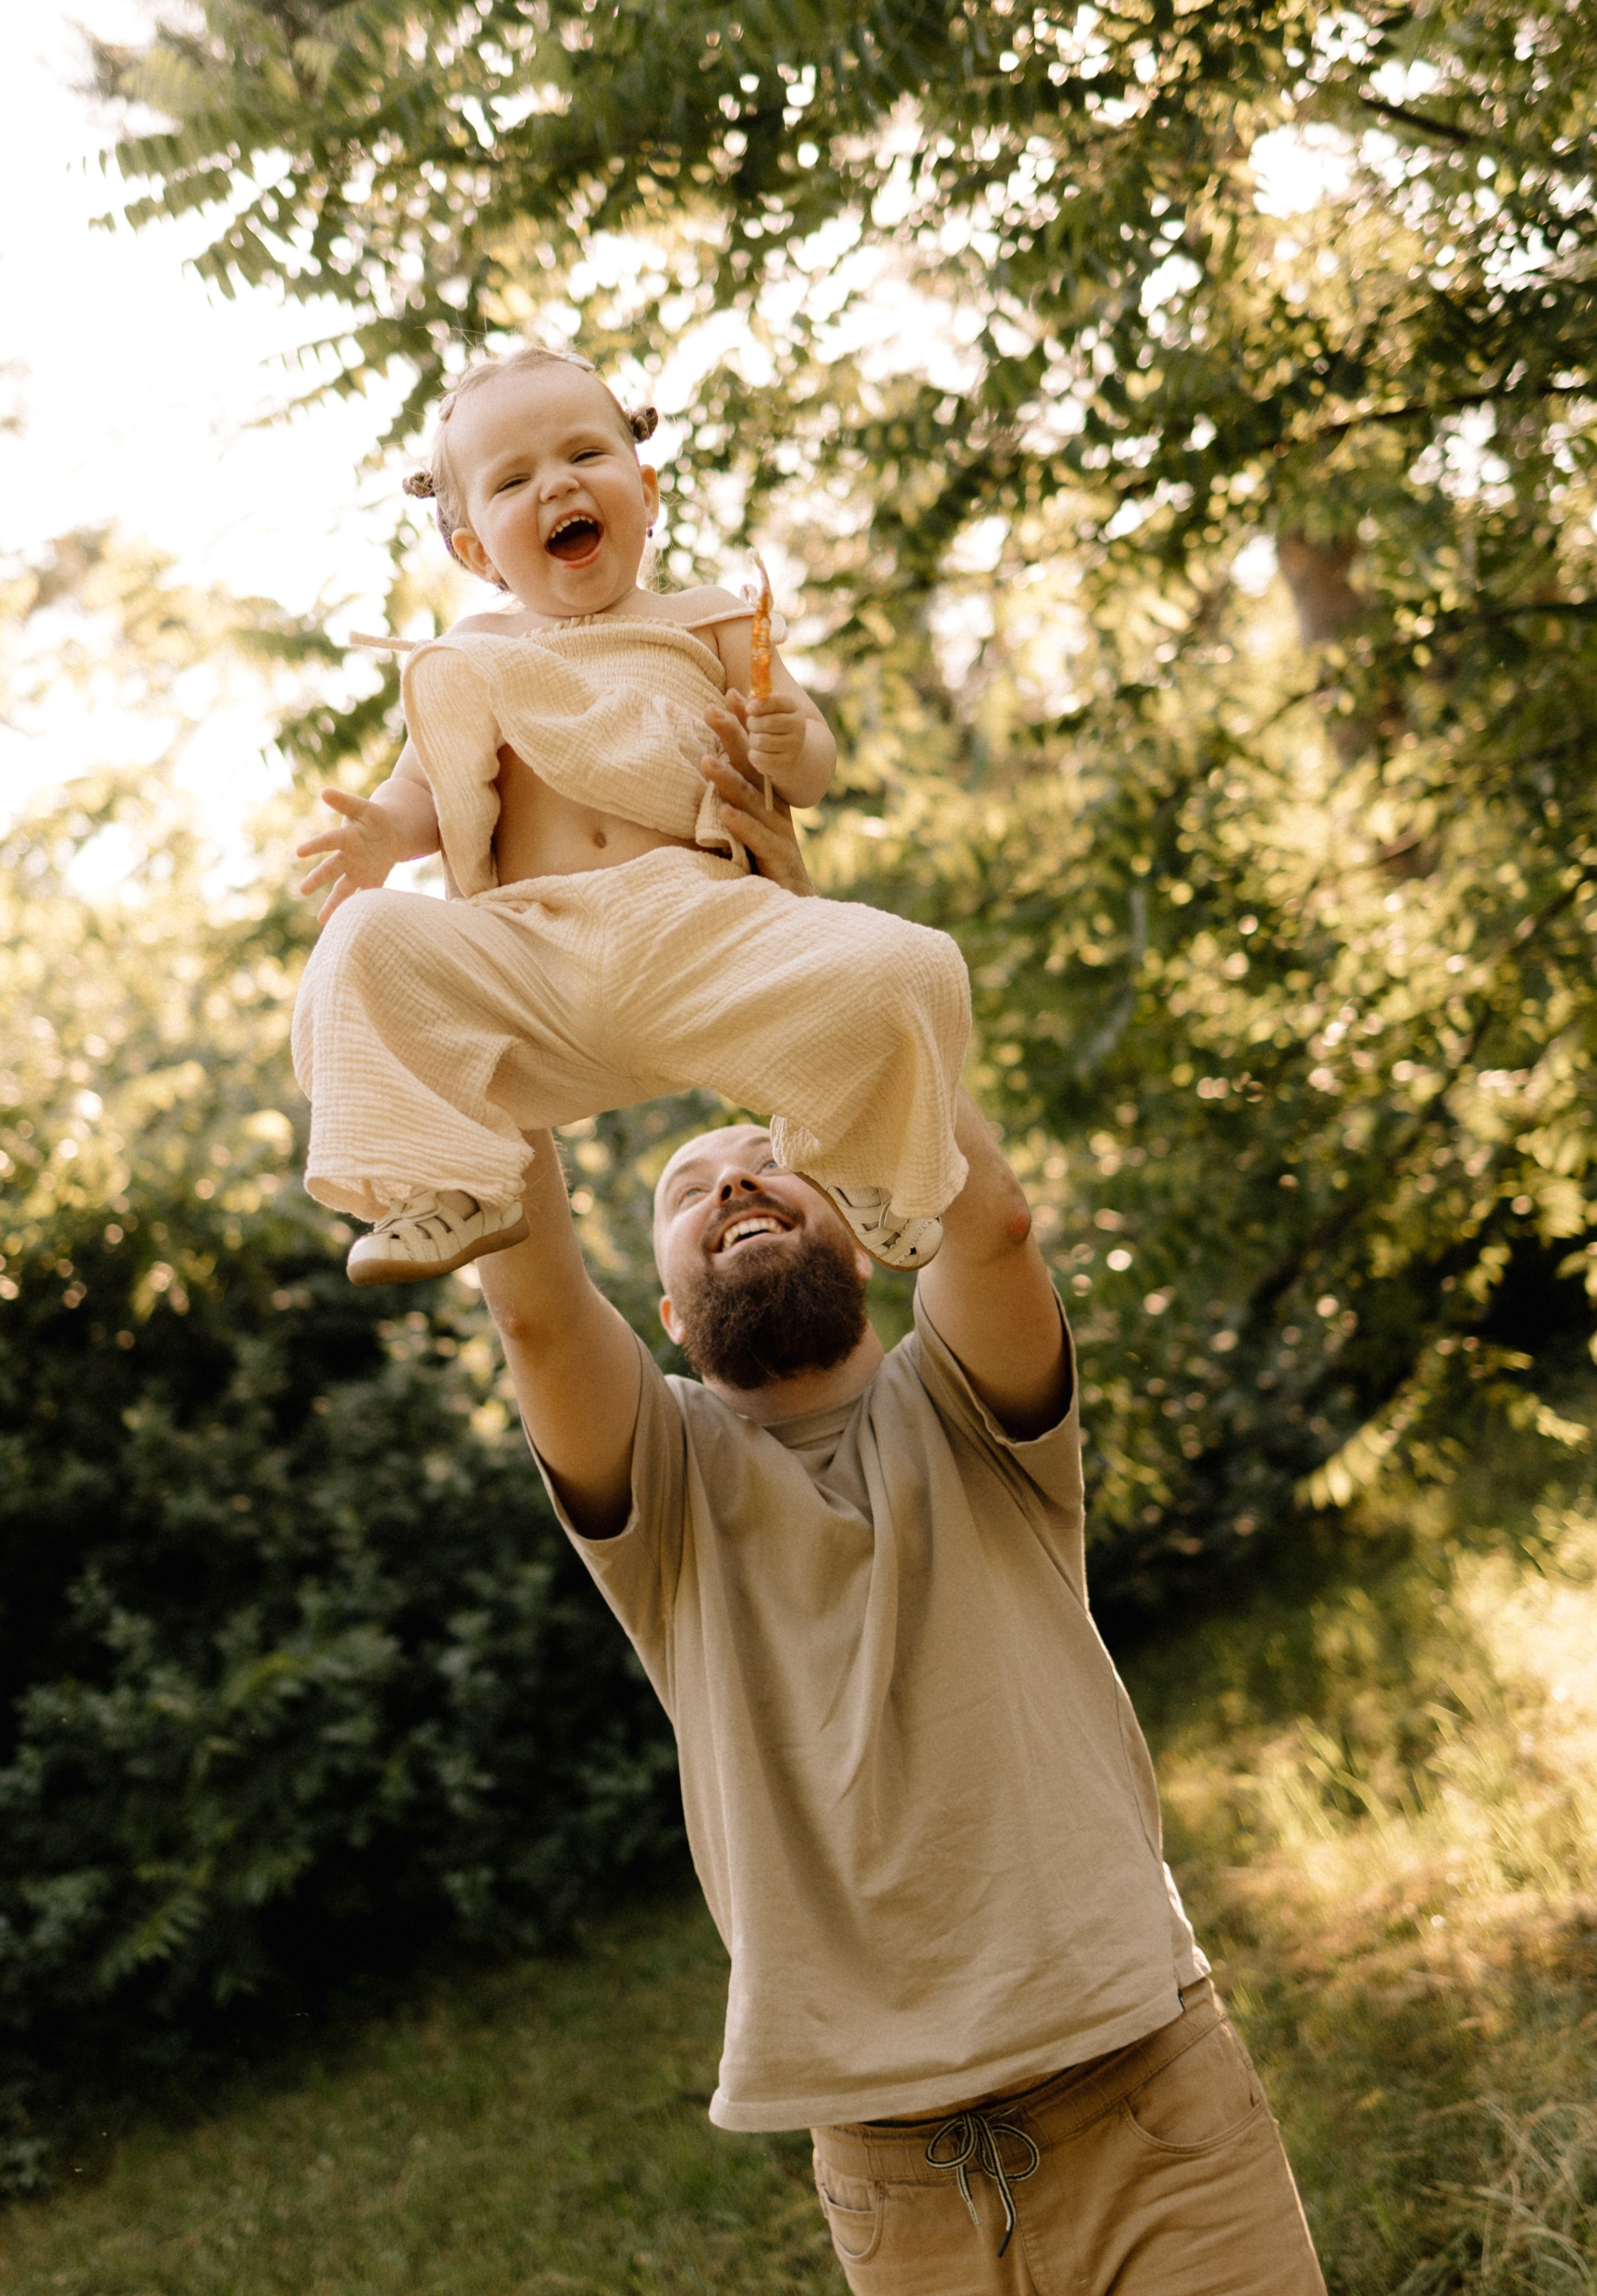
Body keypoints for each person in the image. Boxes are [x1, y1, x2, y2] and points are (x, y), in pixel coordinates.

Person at [473, 753, 1328, 2294]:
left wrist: (796, 940)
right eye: (690, 1185)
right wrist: (491, 937)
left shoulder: (971, 1411)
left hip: (1148, 2105)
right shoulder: (661, 1484)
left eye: (771, 1161)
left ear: (865, 1236)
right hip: (893, 2182)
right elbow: (535, 1314)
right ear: (666, 1308)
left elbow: (981, 1211)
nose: (736, 1174)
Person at [289, 343, 969, 1286]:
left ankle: (856, 1156)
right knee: (361, 941)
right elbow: (423, 792)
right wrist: (381, 836)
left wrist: (783, 743)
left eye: (584, 456)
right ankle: (448, 1186)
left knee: (916, 962)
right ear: (477, 551)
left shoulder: (708, 616)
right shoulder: (474, 652)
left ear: (646, 494)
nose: (556, 485)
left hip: (704, 934)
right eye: (514, 478)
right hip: (534, 958)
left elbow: (811, 758)